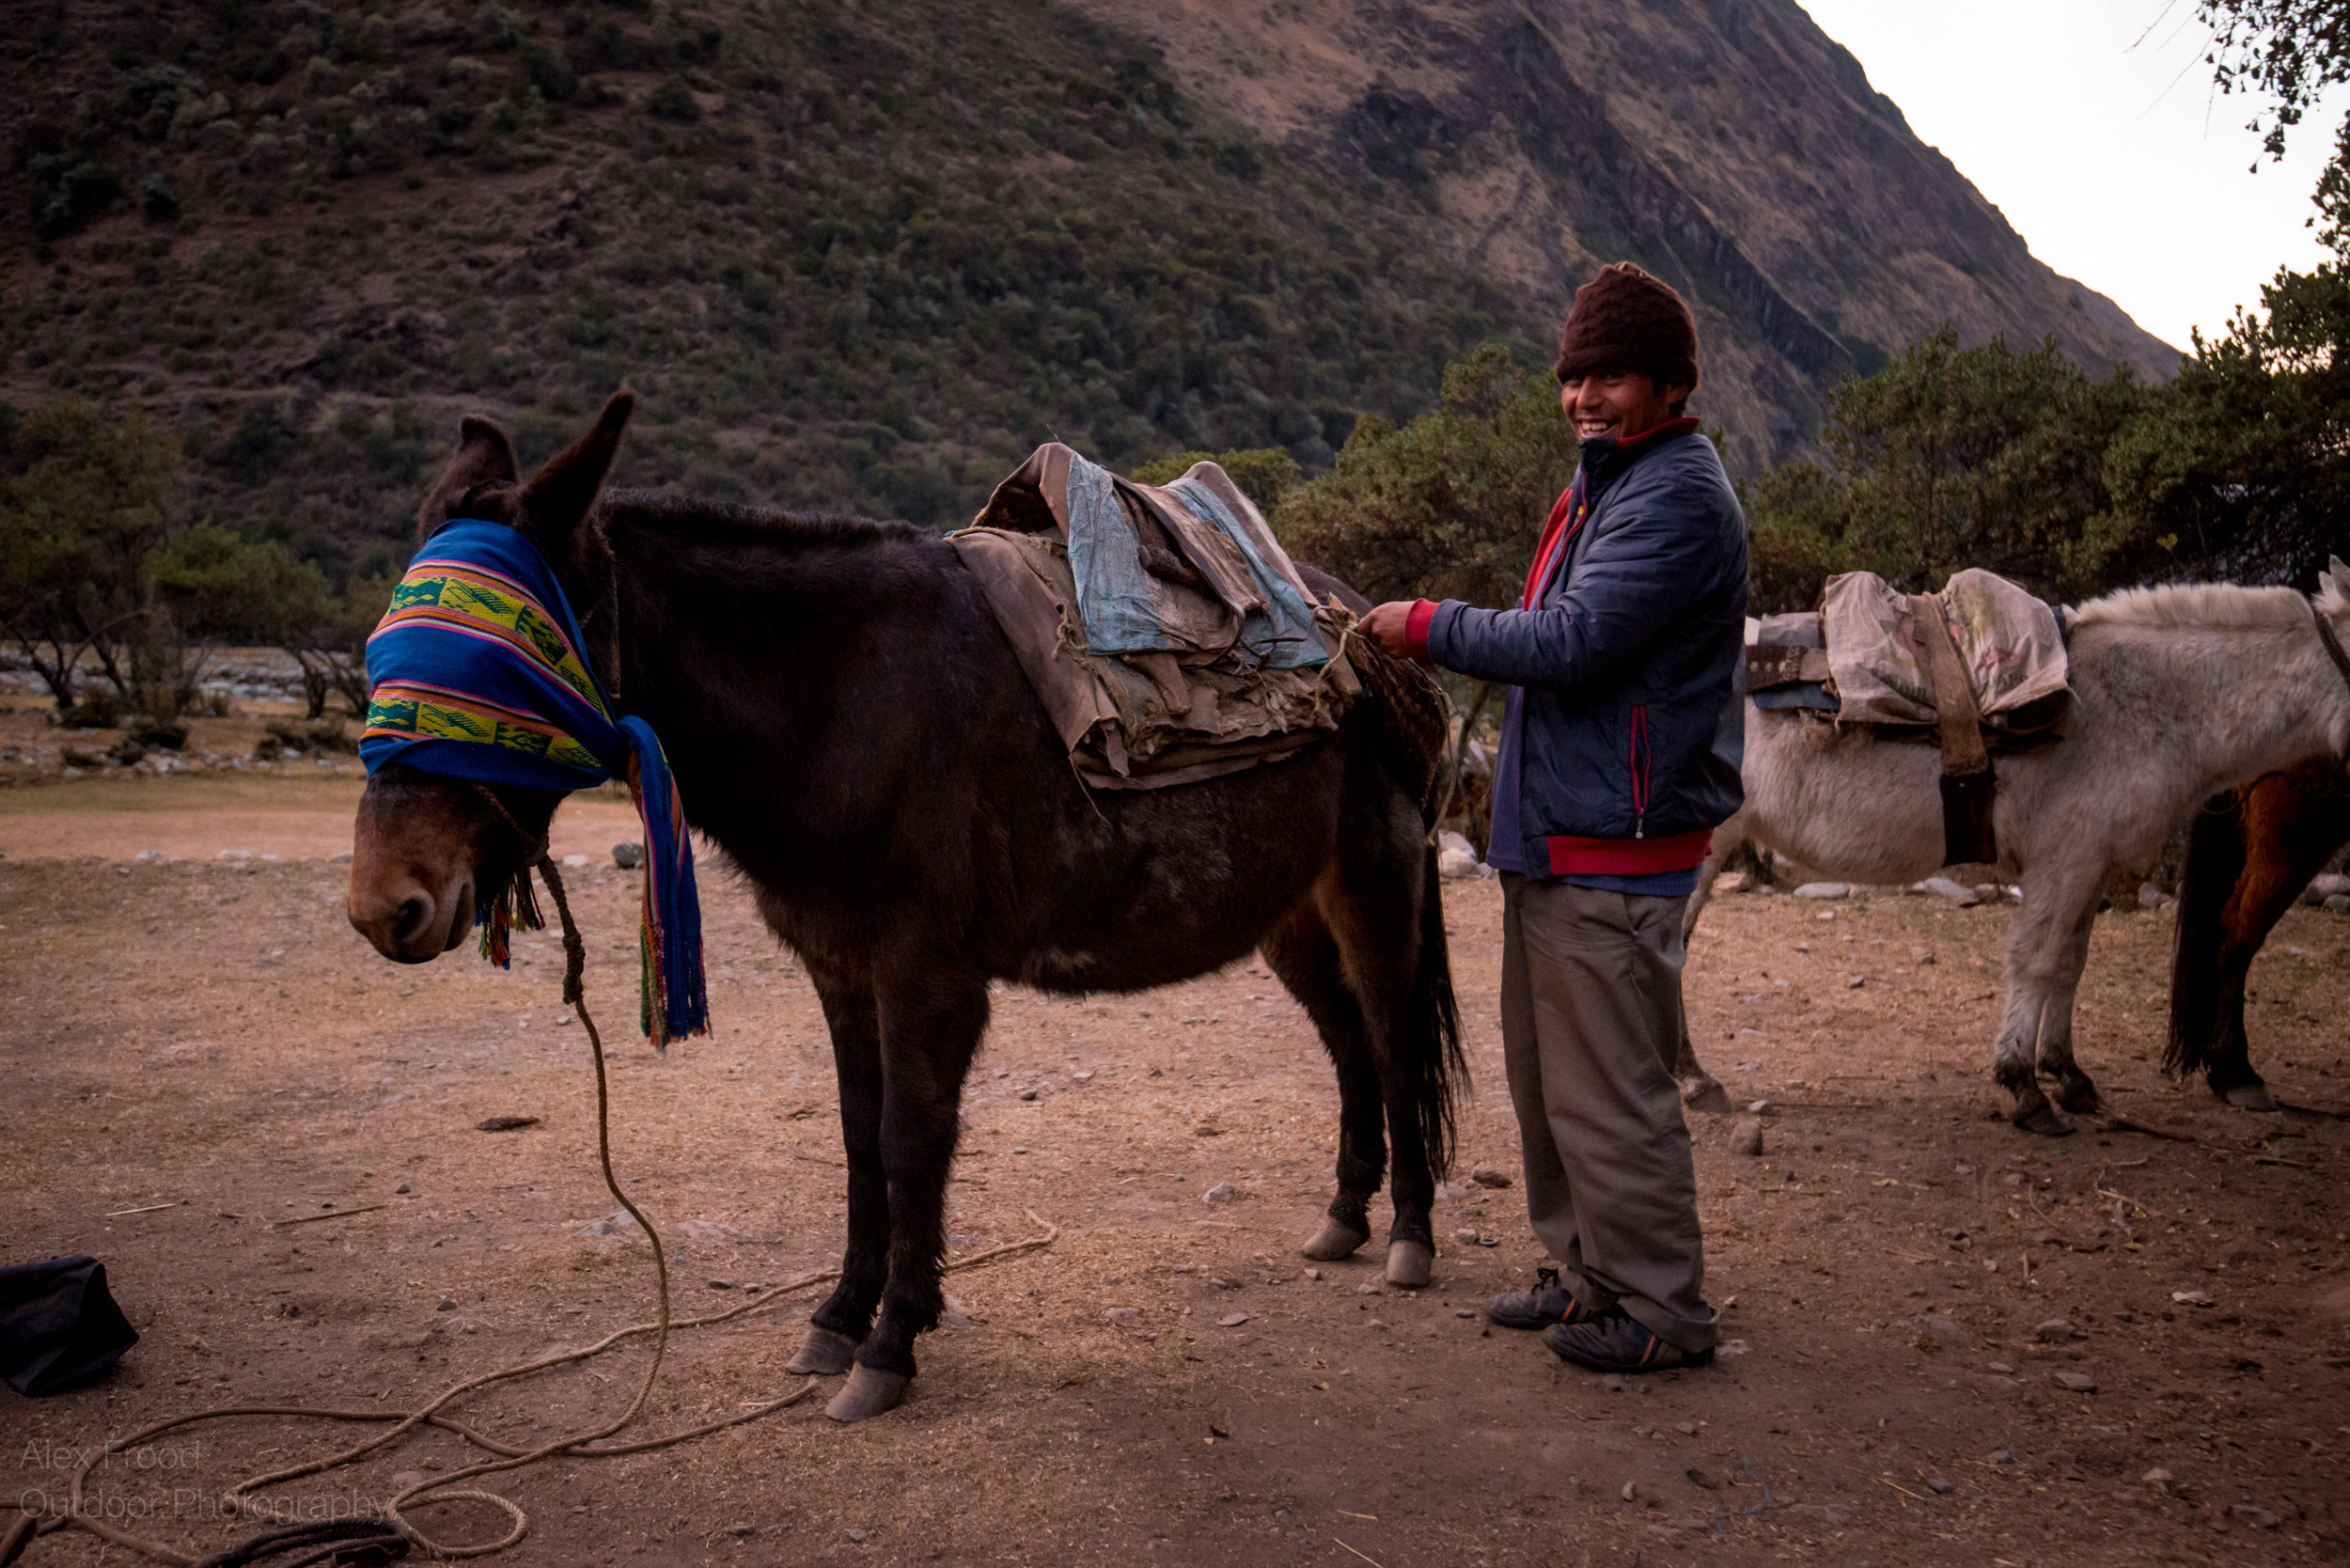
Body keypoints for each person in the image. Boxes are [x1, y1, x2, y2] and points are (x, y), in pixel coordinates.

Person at [1360, 261, 1747, 1373]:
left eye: (1611, 376)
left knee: (1613, 1095)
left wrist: (1425, 625)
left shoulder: (1671, 495)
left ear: (1670, 384)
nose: (1586, 396)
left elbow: (1569, 642)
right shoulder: (1610, 481)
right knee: (1550, 1084)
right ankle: (1587, 1277)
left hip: (1615, 847)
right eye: (1575, 376)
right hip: (1567, 833)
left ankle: (1663, 1311)